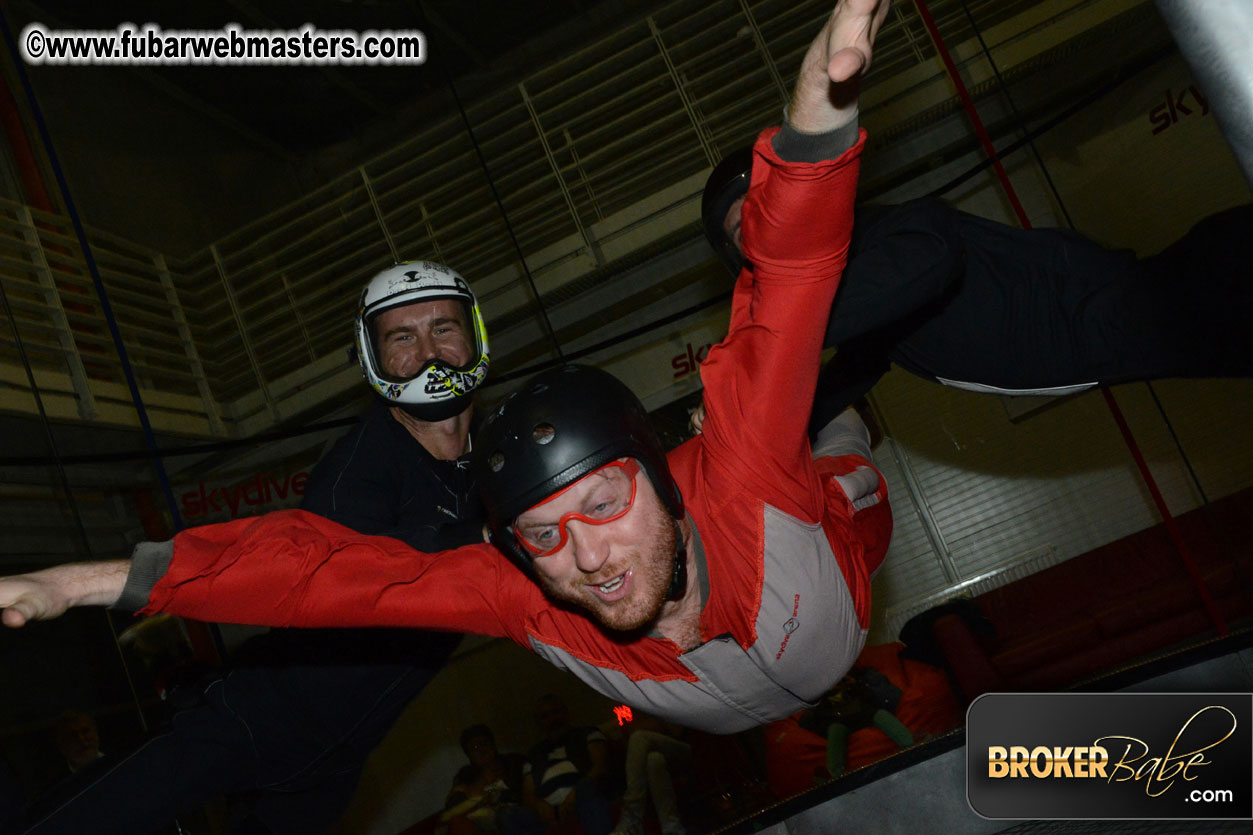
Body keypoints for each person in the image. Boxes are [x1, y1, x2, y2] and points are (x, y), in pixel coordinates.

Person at [0, 0, 893, 736]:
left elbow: (788, 287)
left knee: (827, 436)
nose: (587, 559)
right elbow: (322, 578)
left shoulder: (742, 482)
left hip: (826, 539)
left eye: (601, 506)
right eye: (540, 534)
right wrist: (81, 582)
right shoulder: (527, 594)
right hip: (766, 670)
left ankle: (843, 426)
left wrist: (817, 113)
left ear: (657, 479)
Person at [6, 261, 491, 835]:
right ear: (373, 355)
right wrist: (482, 539)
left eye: (443, 327)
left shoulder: (488, 463)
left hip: (341, 755)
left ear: (474, 334)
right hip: (257, 720)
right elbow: (349, 583)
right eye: (402, 337)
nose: (428, 350)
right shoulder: (358, 472)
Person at [703, 155, 1253, 432]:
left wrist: (765, 343)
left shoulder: (881, 236)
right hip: (1123, 340)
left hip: (1122, 308)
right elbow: (857, 367)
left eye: (763, 203)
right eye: (740, 229)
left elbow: (929, 256)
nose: (758, 226)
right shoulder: (864, 302)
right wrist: (760, 425)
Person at [522, 694, 614, 835]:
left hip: (583, 796)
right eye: (545, 717)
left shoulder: (587, 733)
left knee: (586, 787)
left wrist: (575, 794)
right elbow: (529, 794)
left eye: (556, 712)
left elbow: (601, 765)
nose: (552, 720)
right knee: (509, 816)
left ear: (565, 713)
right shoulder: (533, 756)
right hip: (550, 810)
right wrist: (540, 805)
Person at [442, 724, 542, 835]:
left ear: (493, 745)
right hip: (486, 824)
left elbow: (527, 792)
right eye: (475, 748)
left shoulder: (513, 762)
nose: (482, 750)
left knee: (506, 814)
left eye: (485, 743)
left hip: (518, 816)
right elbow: (453, 807)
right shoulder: (466, 776)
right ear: (469, 756)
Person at [610, 714, 692, 835]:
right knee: (654, 760)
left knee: (639, 737)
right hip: (659, 759)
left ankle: (632, 816)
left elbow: (678, 731)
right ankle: (672, 828)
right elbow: (630, 752)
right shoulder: (628, 712)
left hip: (684, 749)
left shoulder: (657, 698)